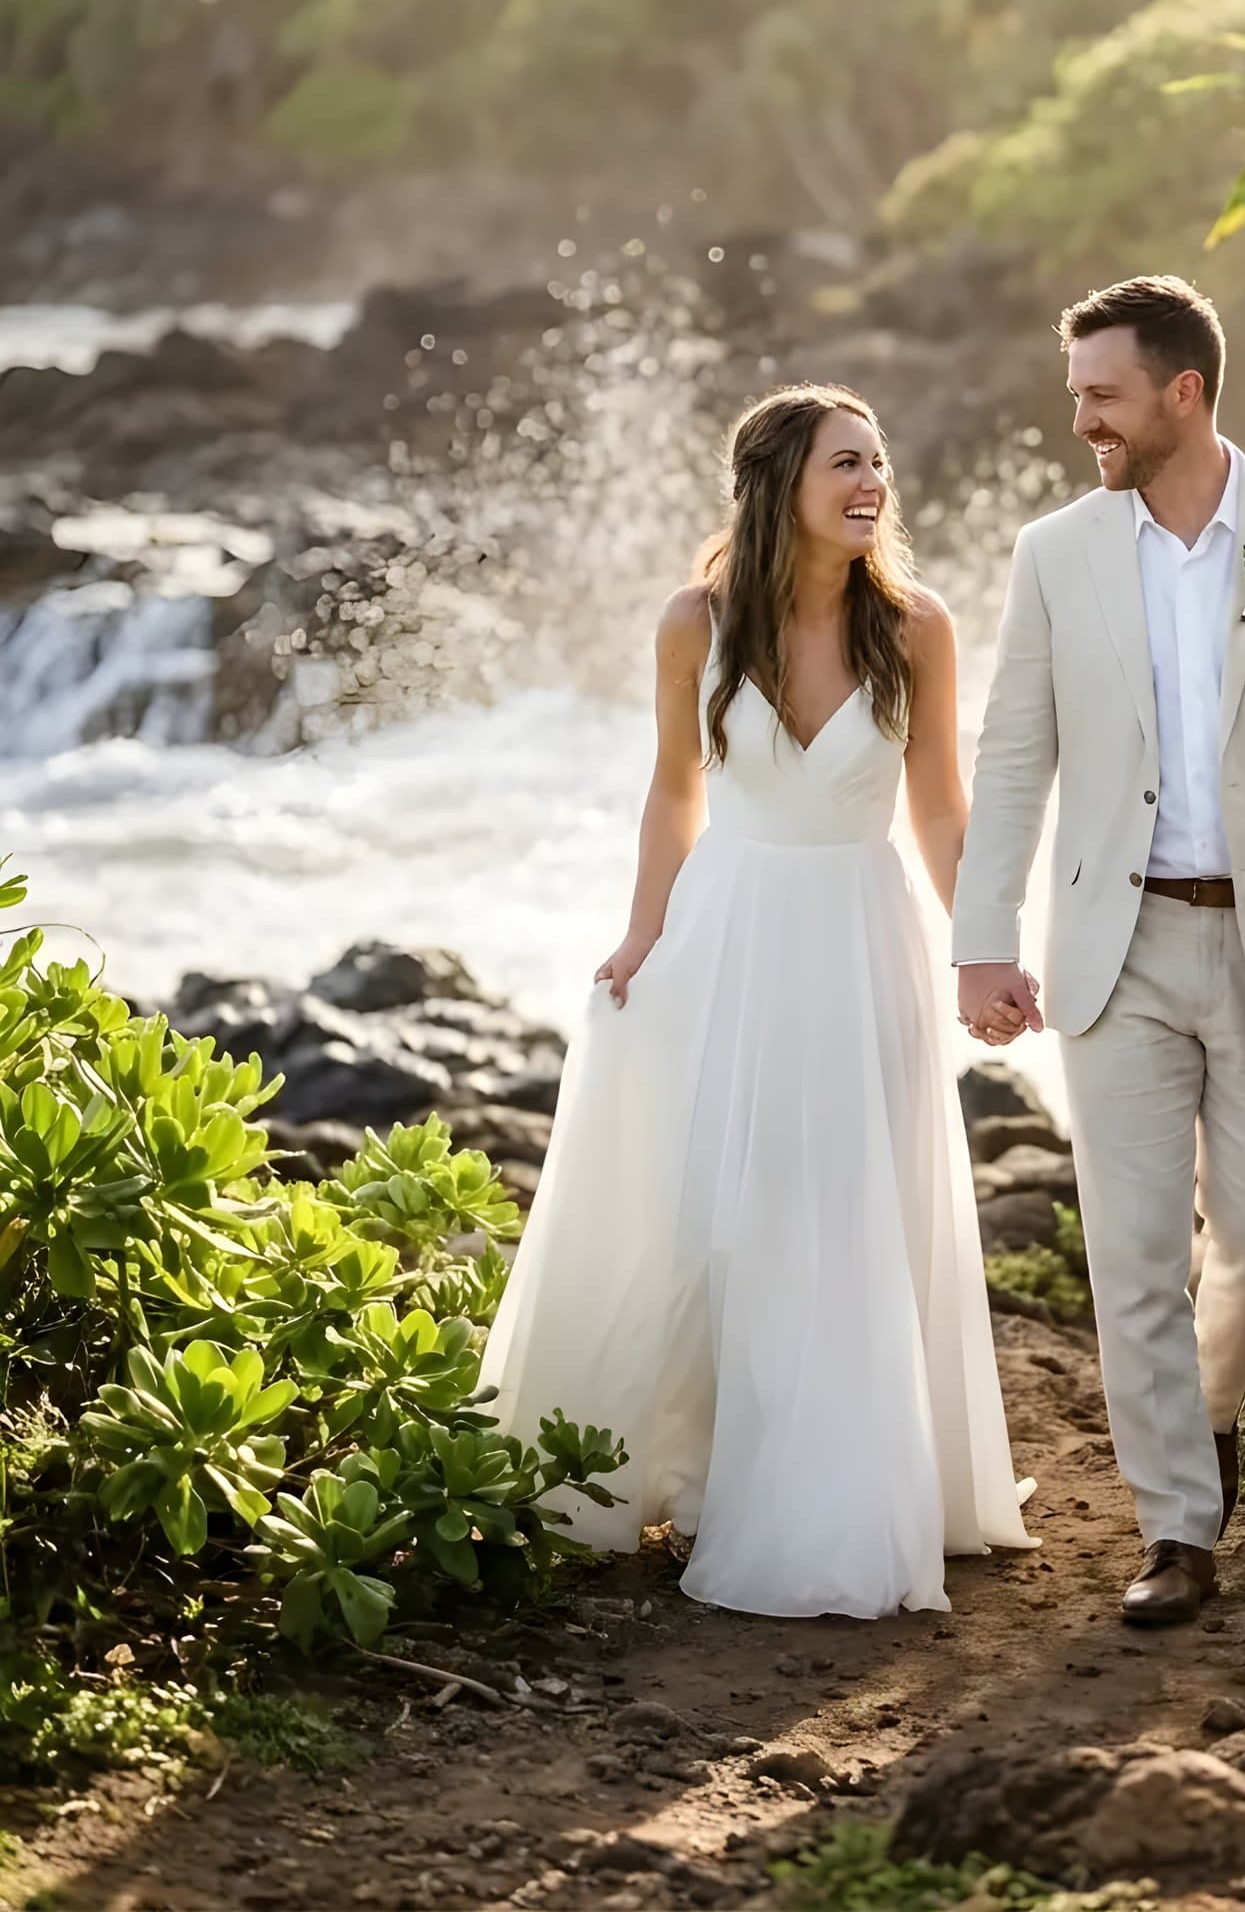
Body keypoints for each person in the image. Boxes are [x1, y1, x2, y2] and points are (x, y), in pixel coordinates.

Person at [480, 383, 1036, 1619]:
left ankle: (841, 1495)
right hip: (730, 935)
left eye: (879, 461)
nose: (871, 484)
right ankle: (714, 1462)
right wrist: (641, 934)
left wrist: (983, 948)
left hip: (859, 935)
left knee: (846, 1205)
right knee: (727, 1213)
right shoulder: (697, 623)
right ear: (778, 482)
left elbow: (940, 806)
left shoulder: (918, 627)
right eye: (846, 462)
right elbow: (675, 792)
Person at [954, 276, 1245, 1626]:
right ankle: (1178, 1525)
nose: (1080, 416)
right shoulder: (1055, 552)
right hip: (1118, 938)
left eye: (1101, 393)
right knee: (1136, 1248)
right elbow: (1016, 749)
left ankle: (1211, 1408)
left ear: (1183, 394)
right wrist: (984, 939)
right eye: (1075, 391)